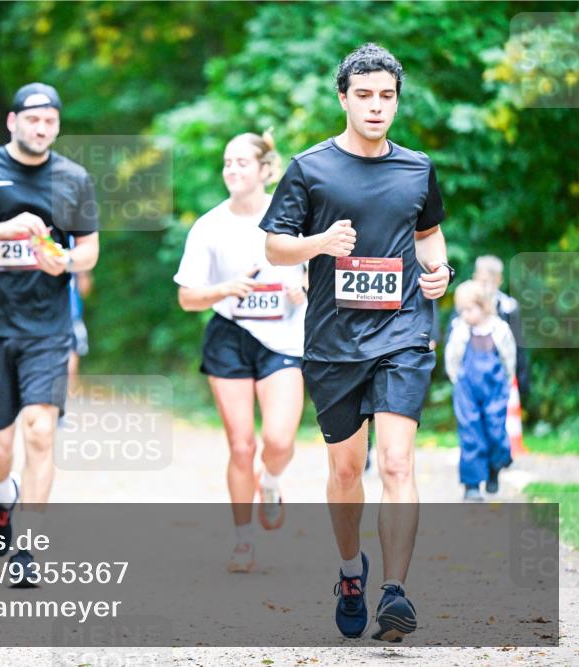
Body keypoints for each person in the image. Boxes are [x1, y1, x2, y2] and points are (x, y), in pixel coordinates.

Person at [261, 44, 453, 642]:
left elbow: (430, 237)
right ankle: (352, 573)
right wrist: (319, 244)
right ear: (343, 98)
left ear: (397, 101)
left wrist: (440, 273)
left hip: (403, 331)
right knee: (347, 470)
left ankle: (395, 593)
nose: (376, 106)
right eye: (364, 95)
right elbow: (274, 246)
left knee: (397, 461)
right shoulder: (310, 167)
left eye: (387, 96)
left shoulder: (417, 168)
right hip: (333, 341)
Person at [0, 83, 99, 586]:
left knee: (40, 431)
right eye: (33, 120)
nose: (41, 128)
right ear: (13, 122)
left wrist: (64, 261)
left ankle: (29, 546)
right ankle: (3, 493)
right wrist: (0, 230)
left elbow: (89, 250)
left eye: (50, 120)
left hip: (46, 327)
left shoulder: (73, 179)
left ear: (57, 125)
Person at [174, 131, 307, 573]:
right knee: (241, 445)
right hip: (230, 337)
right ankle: (243, 540)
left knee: (278, 441)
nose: (232, 169)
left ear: (265, 170)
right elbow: (187, 298)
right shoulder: (209, 226)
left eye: (242, 162)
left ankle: (271, 481)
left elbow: (318, 273)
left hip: (283, 339)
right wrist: (225, 289)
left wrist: (300, 286)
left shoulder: (291, 216)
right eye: (227, 162)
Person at [445, 280, 515, 501]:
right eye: (462, 310)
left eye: (469, 309)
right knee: (470, 433)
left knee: (495, 430)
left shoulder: (500, 329)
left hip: (494, 388)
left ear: (484, 306)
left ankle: (495, 465)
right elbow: (452, 358)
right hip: (467, 390)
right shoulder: (460, 330)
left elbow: (509, 358)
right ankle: (471, 484)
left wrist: (507, 381)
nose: (465, 314)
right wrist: (457, 379)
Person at [473, 255, 529, 404]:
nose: (484, 285)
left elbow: (519, 344)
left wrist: (521, 378)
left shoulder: (509, 307)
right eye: (481, 280)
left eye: (488, 281)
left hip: (501, 371)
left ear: (499, 280)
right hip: (473, 372)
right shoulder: (467, 304)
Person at [67, 270, 93, 387]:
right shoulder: (74, 260)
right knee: (72, 357)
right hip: (71, 318)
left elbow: (84, 289)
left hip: (71, 319)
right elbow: (85, 290)